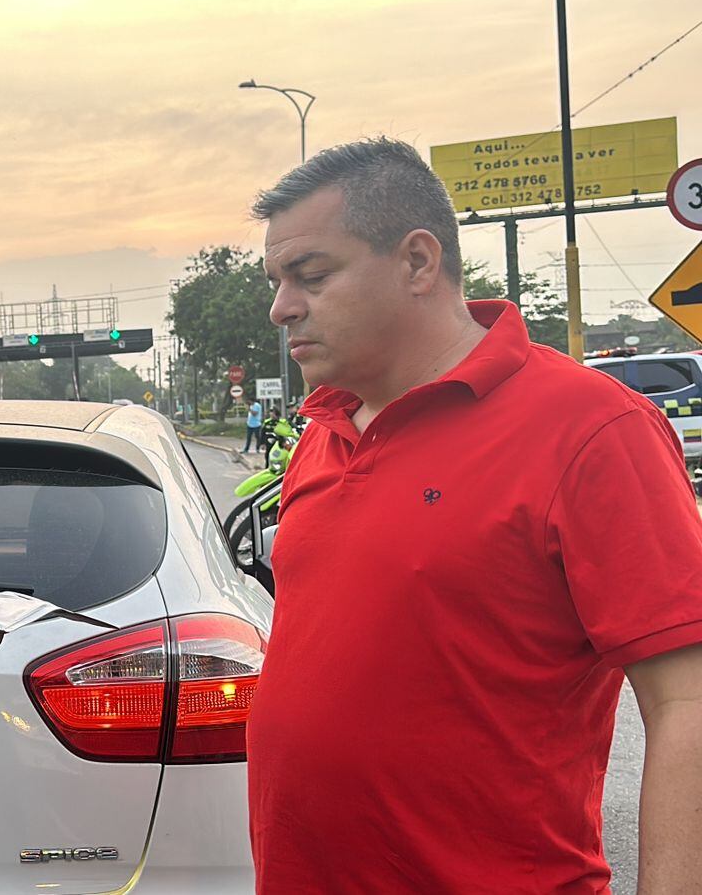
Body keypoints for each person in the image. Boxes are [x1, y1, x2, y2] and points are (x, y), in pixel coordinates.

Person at [244, 137, 702, 894]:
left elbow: (686, 700)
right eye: (277, 280)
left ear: (419, 262)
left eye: (310, 276)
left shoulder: (589, 429)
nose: (280, 306)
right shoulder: (324, 432)